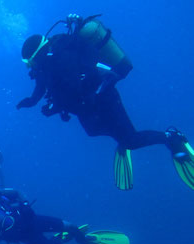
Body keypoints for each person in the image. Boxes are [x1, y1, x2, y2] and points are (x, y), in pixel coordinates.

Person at [16, 14, 194, 190]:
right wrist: (32, 100)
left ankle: (171, 137)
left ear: (37, 55)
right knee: (92, 130)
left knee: (131, 140)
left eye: (29, 62)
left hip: (104, 97)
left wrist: (56, 107)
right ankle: (121, 137)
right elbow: (44, 84)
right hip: (89, 104)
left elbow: (72, 91)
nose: (29, 66)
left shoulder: (61, 59)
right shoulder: (46, 65)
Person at [0, 188, 129, 244]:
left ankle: (83, 240)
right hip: (26, 237)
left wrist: (25, 204)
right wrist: (3, 235)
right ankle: (58, 240)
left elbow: (16, 192)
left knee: (71, 226)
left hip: (33, 221)